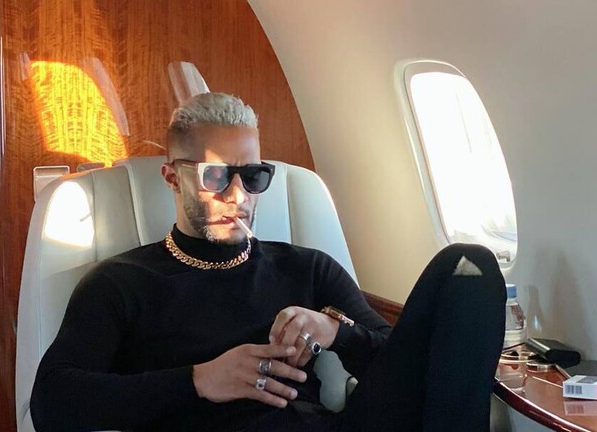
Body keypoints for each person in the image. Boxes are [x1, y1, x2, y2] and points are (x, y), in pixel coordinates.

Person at [30, 92, 506, 432]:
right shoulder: (123, 282)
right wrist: (198, 381)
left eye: (253, 176)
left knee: (469, 266)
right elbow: (53, 401)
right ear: (172, 177)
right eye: (217, 175)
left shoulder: (308, 268)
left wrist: (334, 332)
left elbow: (399, 367)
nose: (238, 195)